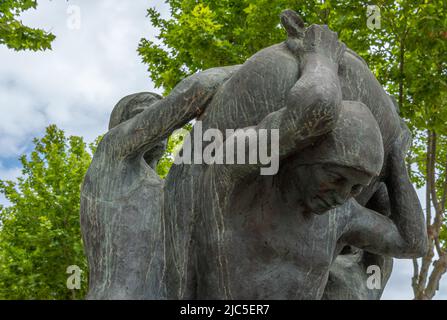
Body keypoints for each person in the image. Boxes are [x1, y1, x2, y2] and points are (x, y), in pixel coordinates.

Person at [162, 10, 427, 299]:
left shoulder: (340, 217)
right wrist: (320, 57)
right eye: (336, 177)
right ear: (303, 152)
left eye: (355, 188)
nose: (342, 195)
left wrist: (397, 160)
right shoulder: (233, 182)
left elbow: (412, 242)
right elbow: (315, 108)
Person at [80, 66, 238, 299]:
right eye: (144, 114)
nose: (159, 128)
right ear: (122, 125)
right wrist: (257, 64)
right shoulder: (111, 153)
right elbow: (196, 90)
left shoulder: (171, 187)